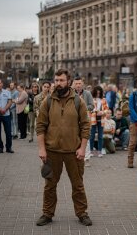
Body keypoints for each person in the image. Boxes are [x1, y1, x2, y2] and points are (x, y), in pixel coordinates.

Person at [36, 68, 92, 226]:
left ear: (68, 81)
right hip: (52, 152)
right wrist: (41, 149)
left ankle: (82, 213)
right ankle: (47, 213)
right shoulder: (47, 101)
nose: (58, 83)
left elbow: (86, 126)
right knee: (50, 185)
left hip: (73, 152)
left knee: (78, 185)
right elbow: (40, 126)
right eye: (56, 80)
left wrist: (82, 148)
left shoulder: (77, 101)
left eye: (61, 80)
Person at [90, 86, 108, 157]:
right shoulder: (91, 99)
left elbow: (107, 108)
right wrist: (94, 111)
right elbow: (89, 108)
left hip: (101, 119)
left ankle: (99, 151)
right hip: (93, 119)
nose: (98, 94)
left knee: (100, 136)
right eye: (96, 93)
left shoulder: (104, 100)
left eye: (99, 93)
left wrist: (103, 112)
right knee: (92, 135)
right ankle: (90, 150)